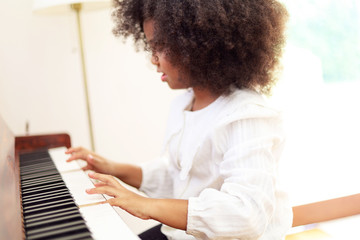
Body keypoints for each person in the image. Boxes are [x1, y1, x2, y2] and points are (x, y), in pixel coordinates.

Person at [66, 0, 292, 239]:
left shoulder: (246, 115)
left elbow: (246, 214)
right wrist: (114, 169)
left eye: (160, 46)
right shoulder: (185, 102)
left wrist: (146, 205)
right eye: (150, 47)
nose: (153, 59)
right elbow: (182, 178)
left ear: (200, 43)